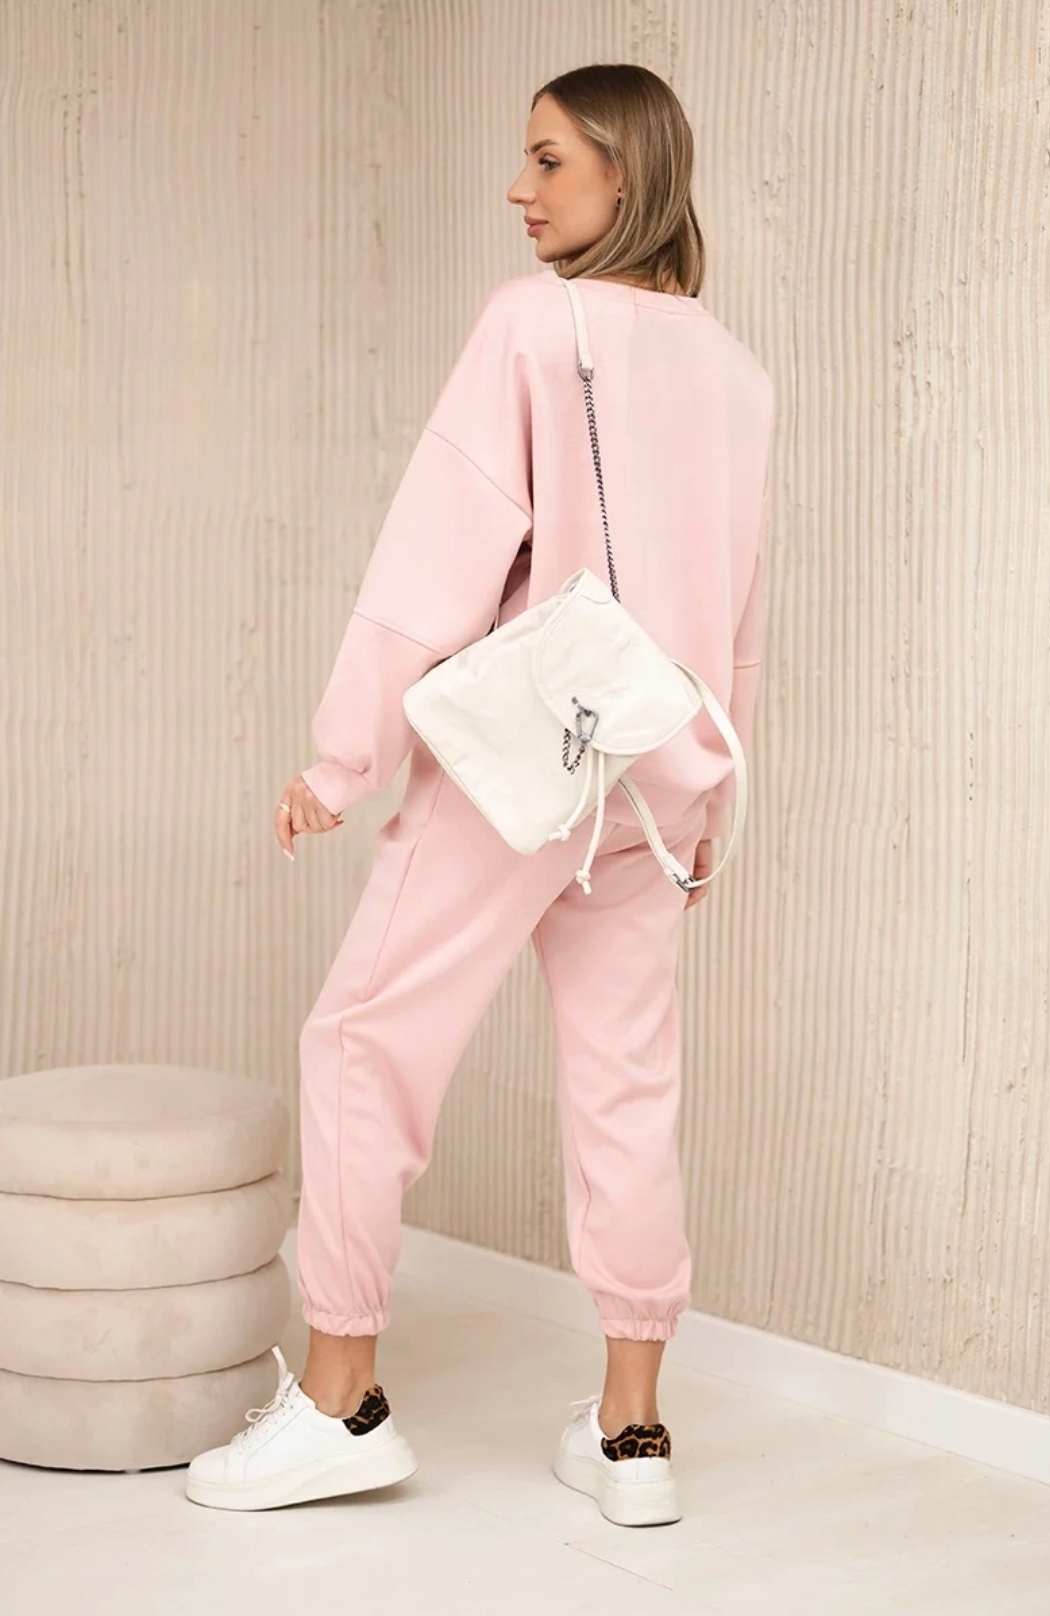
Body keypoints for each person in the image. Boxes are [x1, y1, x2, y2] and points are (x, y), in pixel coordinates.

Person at [186, 62, 774, 1528]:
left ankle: (341, 1402)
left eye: (550, 160)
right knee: (627, 1084)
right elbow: (734, 618)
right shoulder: (737, 374)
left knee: (362, 1041)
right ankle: (634, 1434)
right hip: (656, 776)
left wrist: (345, 756)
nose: (519, 189)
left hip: (525, 757)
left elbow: (435, 558)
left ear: (626, 173)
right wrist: (708, 805)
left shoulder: (533, 325)